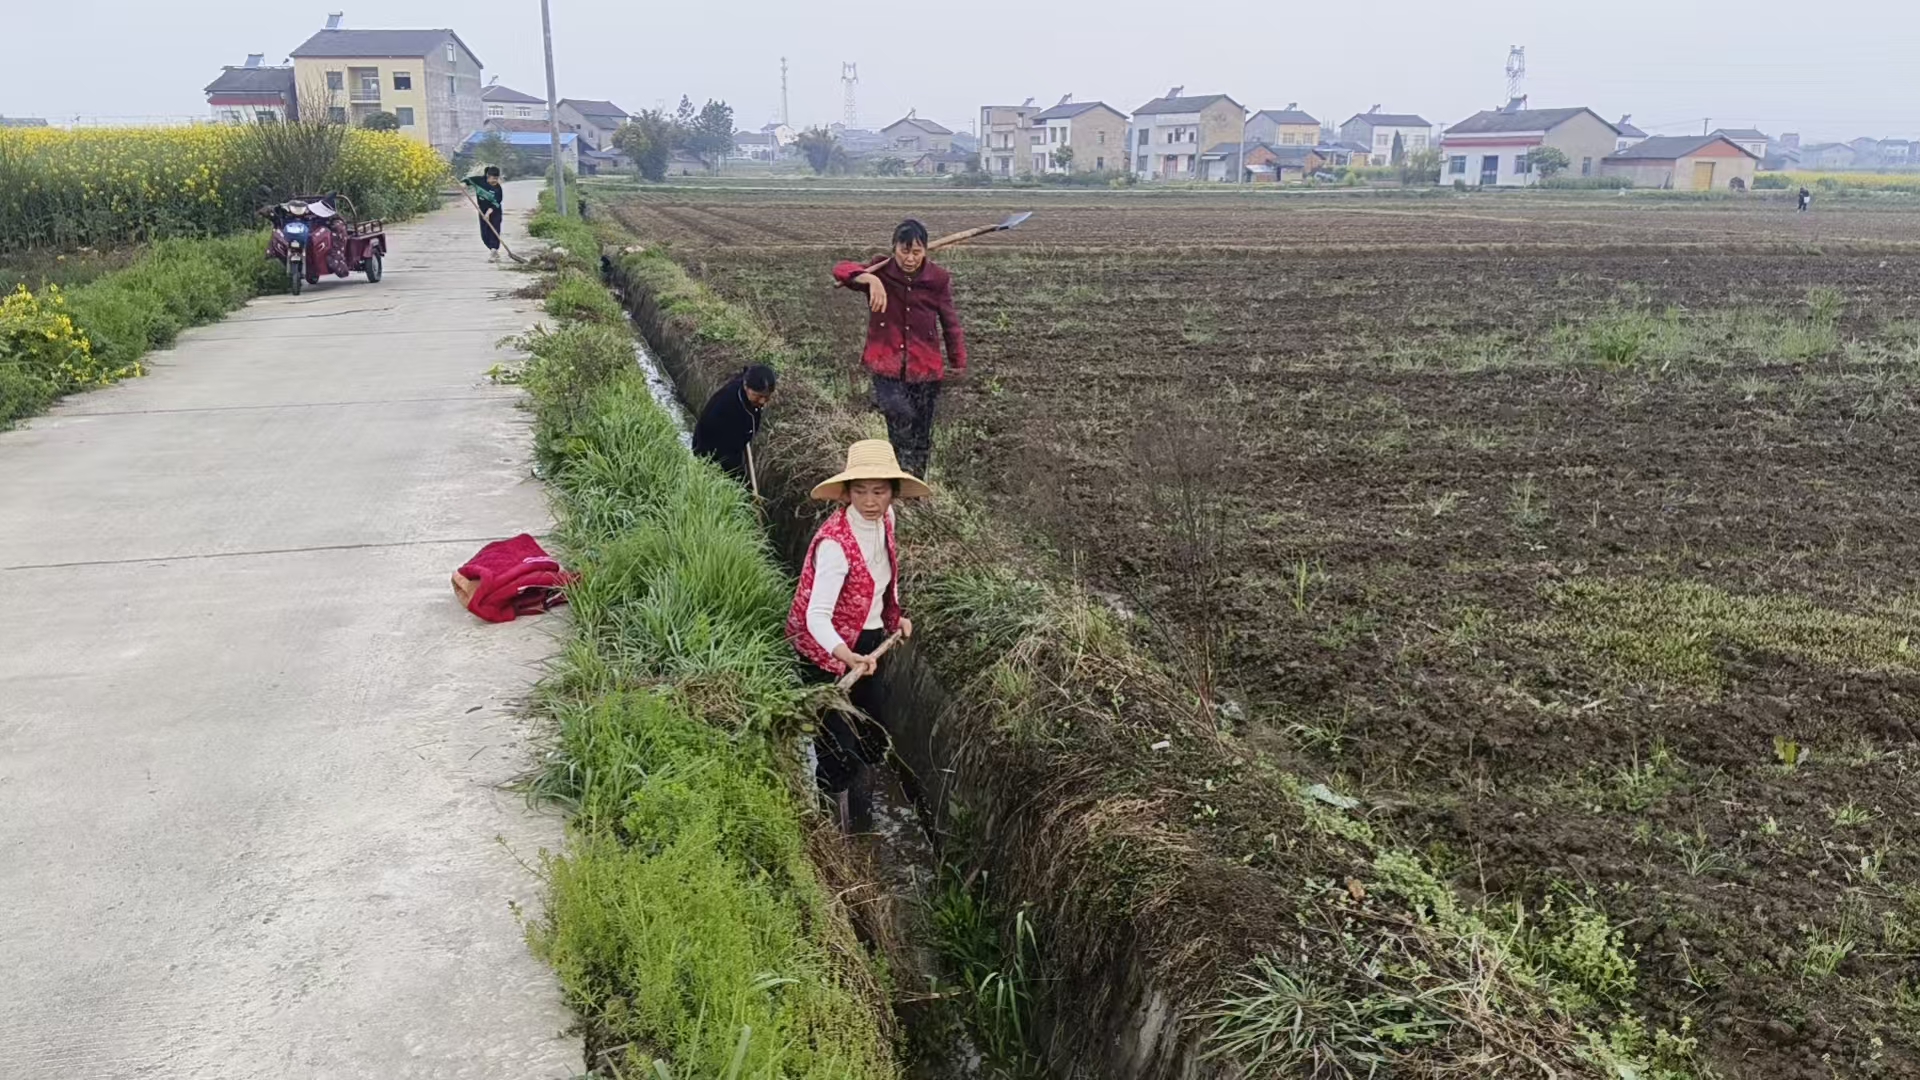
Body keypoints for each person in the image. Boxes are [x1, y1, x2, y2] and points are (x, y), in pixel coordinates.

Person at [784, 439, 931, 832]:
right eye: (860, 491)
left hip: (868, 642)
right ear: (846, 493)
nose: (870, 501)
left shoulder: (887, 521)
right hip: (824, 650)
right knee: (836, 749)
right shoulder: (835, 545)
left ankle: (862, 813)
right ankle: (832, 833)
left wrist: (895, 616)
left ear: (893, 494)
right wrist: (845, 656)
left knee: (873, 731)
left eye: (879, 491)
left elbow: (886, 574)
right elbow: (816, 615)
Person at [832, 220, 967, 477]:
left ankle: (915, 483)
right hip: (886, 364)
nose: (910, 258)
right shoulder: (881, 271)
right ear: (894, 248)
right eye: (904, 251)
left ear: (925, 251)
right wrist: (870, 278)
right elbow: (840, 270)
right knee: (899, 414)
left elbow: (951, 324)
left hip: (925, 367)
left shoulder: (937, 280)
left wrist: (958, 362)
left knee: (921, 430)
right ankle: (900, 472)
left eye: (916, 252)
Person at [691, 364, 778, 483]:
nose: (762, 401)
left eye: (767, 397)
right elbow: (721, 450)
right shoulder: (727, 404)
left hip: (734, 445)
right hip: (712, 450)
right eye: (759, 396)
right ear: (746, 386)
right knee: (731, 486)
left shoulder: (749, 397)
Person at [461, 166, 506, 261]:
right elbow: (467, 180)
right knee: (484, 235)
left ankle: (494, 250)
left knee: (494, 231)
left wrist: (488, 213)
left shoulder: (498, 189)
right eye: (493, 178)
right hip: (482, 211)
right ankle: (493, 250)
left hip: (495, 212)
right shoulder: (480, 181)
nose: (495, 181)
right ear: (488, 176)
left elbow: (496, 203)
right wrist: (464, 184)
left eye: (496, 179)